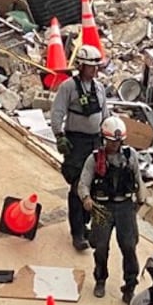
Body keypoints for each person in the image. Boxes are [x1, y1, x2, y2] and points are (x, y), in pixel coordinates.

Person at [77, 116, 145, 302]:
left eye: (117, 142)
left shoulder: (130, 156)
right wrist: (86, 198)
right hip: (102, 207)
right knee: (100, 247)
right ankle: (100, 279)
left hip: (124, 206)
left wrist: (140, 201)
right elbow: (83, 183)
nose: (114, 145)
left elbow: (138, 180)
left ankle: (130, 285)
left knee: (129, 247)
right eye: (110, 142)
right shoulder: (94, 159)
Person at [51, 45, 110, 251]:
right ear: (81, 66)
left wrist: (108, 136)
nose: (95, 70)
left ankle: (85, 224)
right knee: (77, 186)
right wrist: (59, 135)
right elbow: (57, 112)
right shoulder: (68, 87)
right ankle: (77, 233)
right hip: (76, 143)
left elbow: (105, 115)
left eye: (96, 66)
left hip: (95, 142)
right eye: (91, 66)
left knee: (93, 185)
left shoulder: (100, 88)